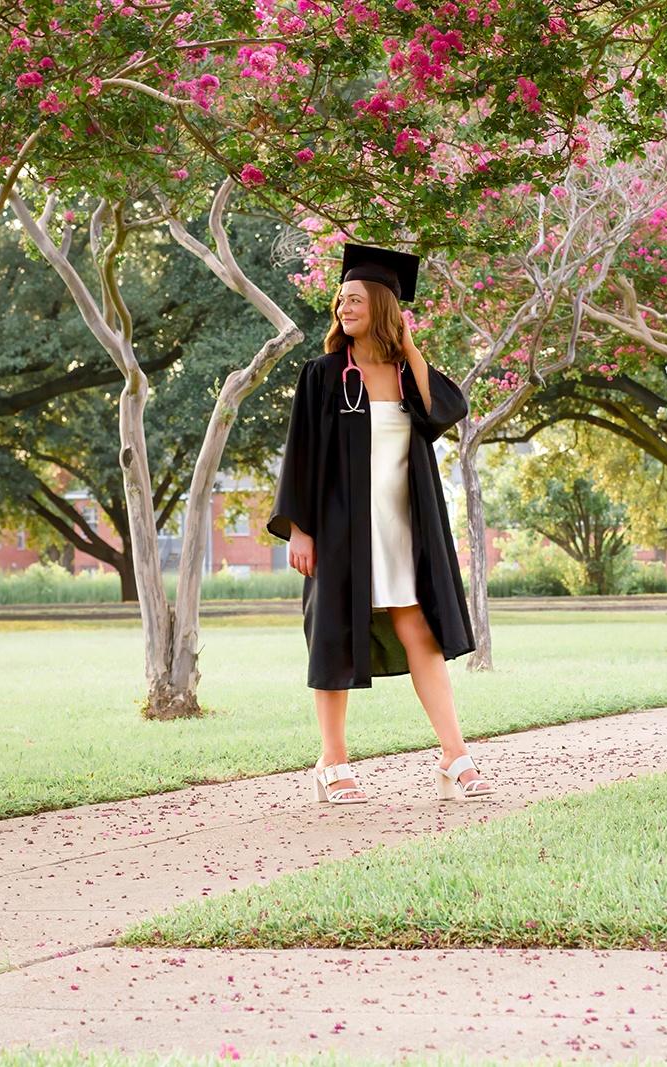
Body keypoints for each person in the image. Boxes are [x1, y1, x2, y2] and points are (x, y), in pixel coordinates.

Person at [267, 244, 495, 805]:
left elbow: (448, 409)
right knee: (333, 636)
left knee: (421, 633)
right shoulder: (323, 375)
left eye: (356, 300)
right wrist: (298, 527)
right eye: (340, 300)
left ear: (384, 306)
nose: (344, 308)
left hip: (402, 528)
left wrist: (410, 348)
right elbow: (300, 453)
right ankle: (332, 762)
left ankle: (454, 755)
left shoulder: (407, 375)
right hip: (342, 529)